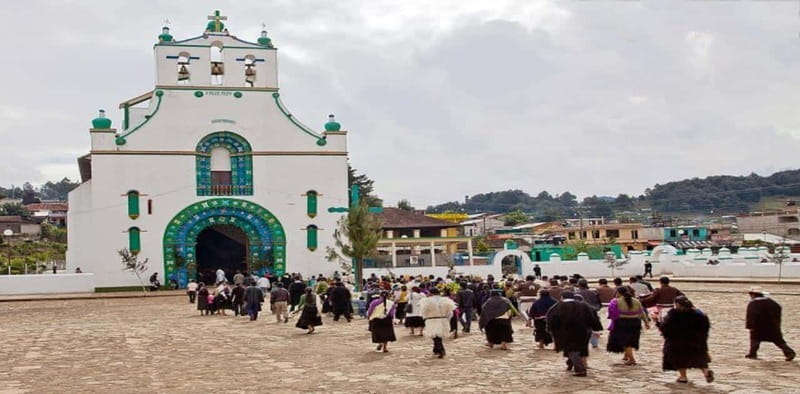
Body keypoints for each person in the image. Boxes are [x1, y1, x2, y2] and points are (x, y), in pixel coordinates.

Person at [658, 296, 714, 384]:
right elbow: (705, 328)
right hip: (696, 341)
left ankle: (683, 377)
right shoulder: (699, 314)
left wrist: (658, 322)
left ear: (678, 304)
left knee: (679, 358)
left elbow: (666, 328)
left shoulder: (674, 315)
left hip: (677, 341)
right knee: (699, 357)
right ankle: (706, 371)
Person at [546, 291, 603, 377]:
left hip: (565, 332)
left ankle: (580, 370)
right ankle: (570, 363)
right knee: (578, 348)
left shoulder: (557, 307)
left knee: (572, 349)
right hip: (583, 331)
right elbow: (592, 316)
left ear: (561, 297)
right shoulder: (584, 305)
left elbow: (551, 319)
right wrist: (596, 328)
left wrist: (551, 330)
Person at [745, 286, 796, 361]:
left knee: (755, 339)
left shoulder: (753, 304)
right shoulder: (772, 302)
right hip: (773, 326)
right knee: (778, 341)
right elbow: (779, 310)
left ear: (753, 295)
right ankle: (789, 352)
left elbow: (751, 315)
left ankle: (752, 353)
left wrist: (750, 326)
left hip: (759, 326)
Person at [607, 286, 650, 365]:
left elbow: (611, 313)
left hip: (621, 323)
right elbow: (642, 312)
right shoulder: (636, 301)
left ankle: (632, 359)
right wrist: (646, 323)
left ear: (618, 293)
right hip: (635, 323)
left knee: (625, 342)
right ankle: (626, 356)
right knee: (630, 340)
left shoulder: (615, 301)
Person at [418, 287, 456, 358]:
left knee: (435, 335)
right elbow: (450, 313)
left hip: (431, 319)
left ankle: (440, 350)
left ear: (430, 293)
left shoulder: (426, 301)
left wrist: (425, 318)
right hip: (443, 319)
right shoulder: (446, 300)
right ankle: (436, 349)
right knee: (439, 335)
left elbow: (423, 312)